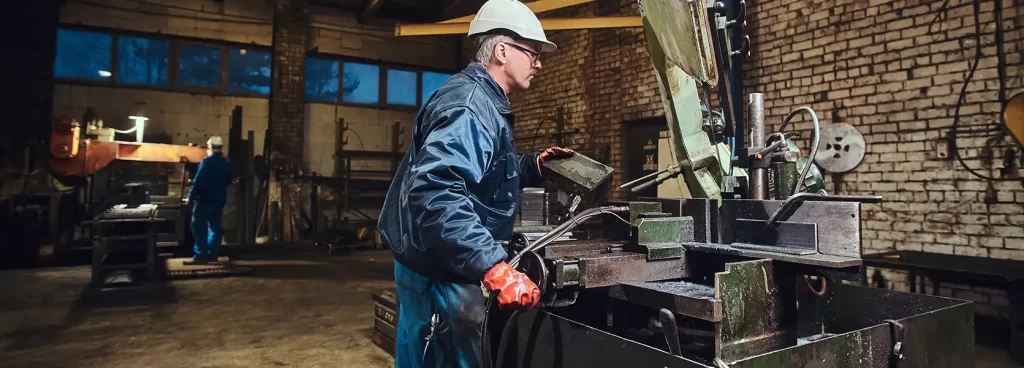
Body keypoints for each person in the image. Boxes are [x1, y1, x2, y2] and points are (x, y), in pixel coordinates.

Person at [377, 1, 575, 366]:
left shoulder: (481, 100)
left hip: (434, 260)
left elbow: (481, 170)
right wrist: (495, 267)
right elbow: (437, 192)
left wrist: (532, 166)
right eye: (532, 54)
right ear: (502, 51)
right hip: (437, 271)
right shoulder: (470, 107)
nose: (539, 64)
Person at [184, 136, 232, 265]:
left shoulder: (207, 162)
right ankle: (212, 255)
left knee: (198, 226)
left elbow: (199, 182)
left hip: (205, 200)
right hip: (219, 199)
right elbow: (228, 181)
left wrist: (191, 197)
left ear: (209, 147)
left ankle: (201, 255)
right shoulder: (226, 163)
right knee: (215, 228)